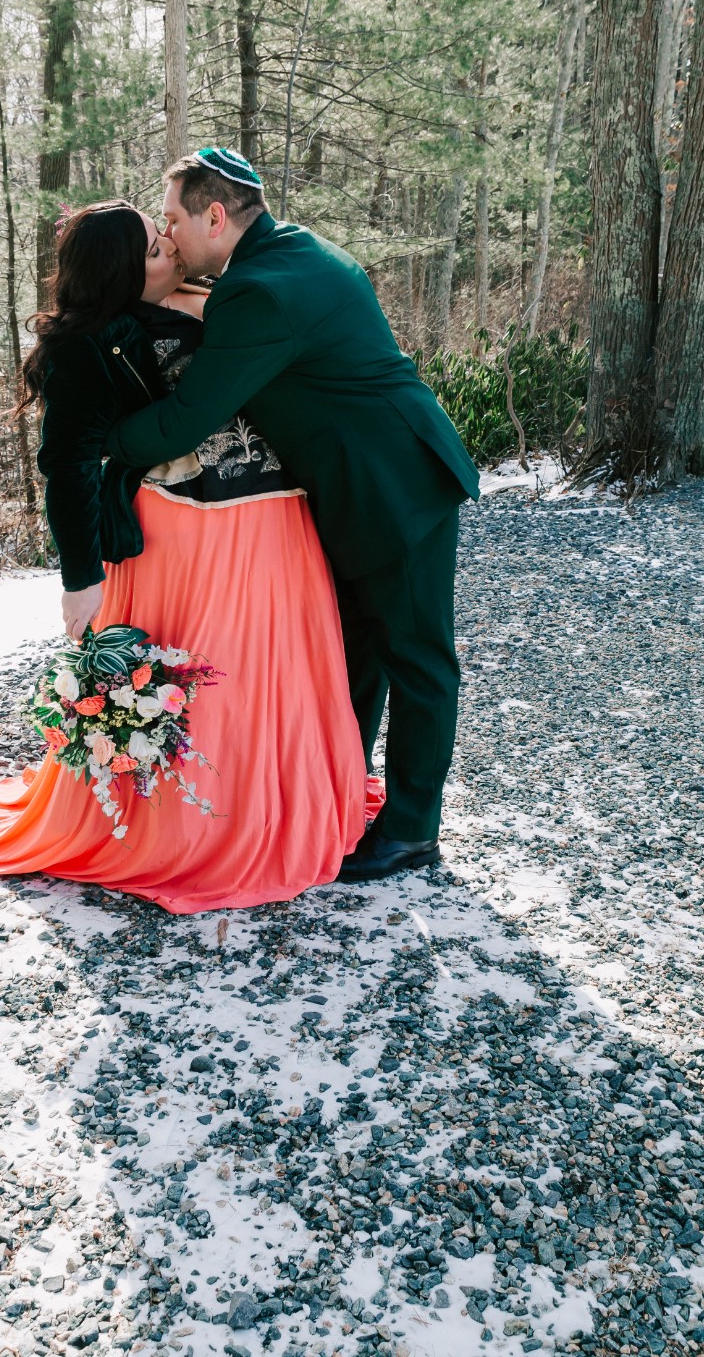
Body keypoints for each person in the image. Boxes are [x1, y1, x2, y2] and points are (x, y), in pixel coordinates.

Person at [0, 200, 372, 913]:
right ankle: (200, 830)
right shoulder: (97, 341)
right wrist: (80, 579)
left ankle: (286, 806)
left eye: (164, 238)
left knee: (280, 670)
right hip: (190, 536)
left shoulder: (225, 289)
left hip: (280, 517)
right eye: (155, 252)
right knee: (216, 680)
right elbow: (67, 463)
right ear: (122, 278)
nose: (173, 253)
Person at [103, 149, 480, 883]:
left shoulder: (261, 293)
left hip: (395, 484)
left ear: (215, 216)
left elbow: (184, 421)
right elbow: (223, 303)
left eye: (174, 219)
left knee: (418, 658)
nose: (169, 236)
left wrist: (98, 444)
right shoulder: (291, 249)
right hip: (362, 480)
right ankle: (340, 794)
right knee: (358, 652)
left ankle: (411, 830)